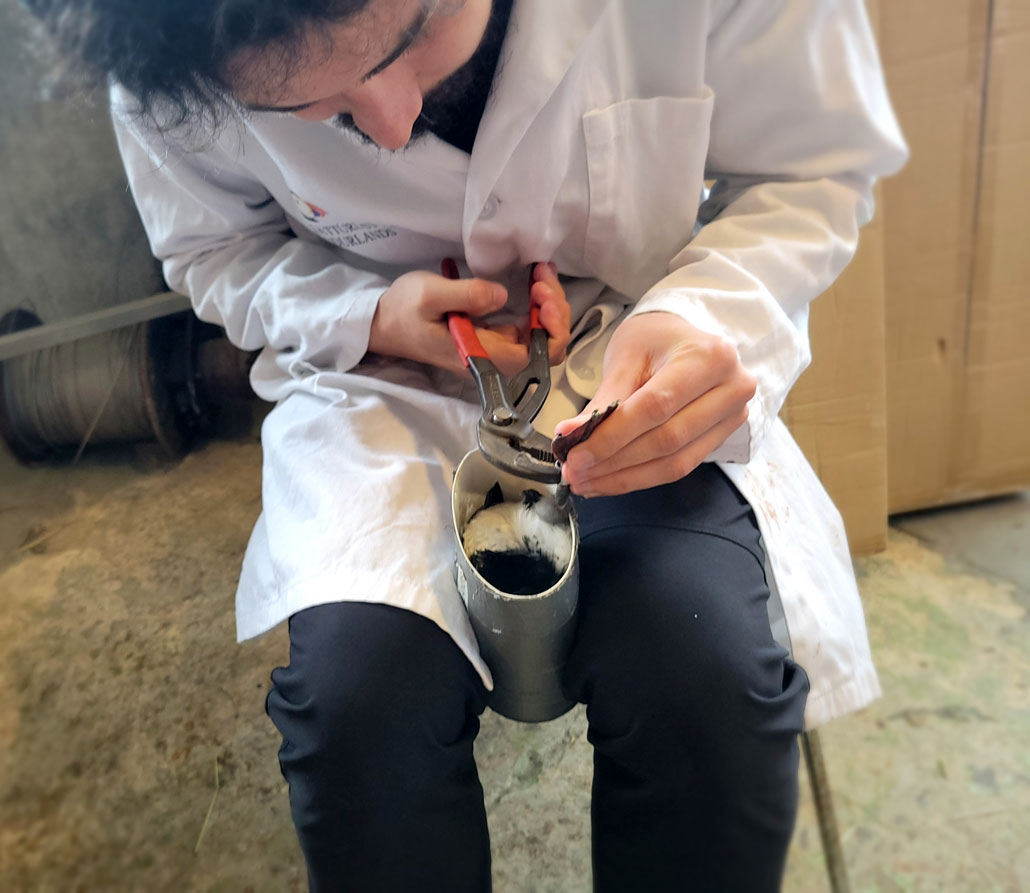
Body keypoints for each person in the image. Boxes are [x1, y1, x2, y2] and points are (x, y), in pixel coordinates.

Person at [26, 0, 908, 889]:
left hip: (635, 331)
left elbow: (814, 171)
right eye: (309, 114)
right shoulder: (154, 44)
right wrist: (364, 314)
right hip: (379, 376)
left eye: (413, 40)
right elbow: (215, 252)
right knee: (360, 712)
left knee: (703, 672)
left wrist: (708, 314)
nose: (394, 124)